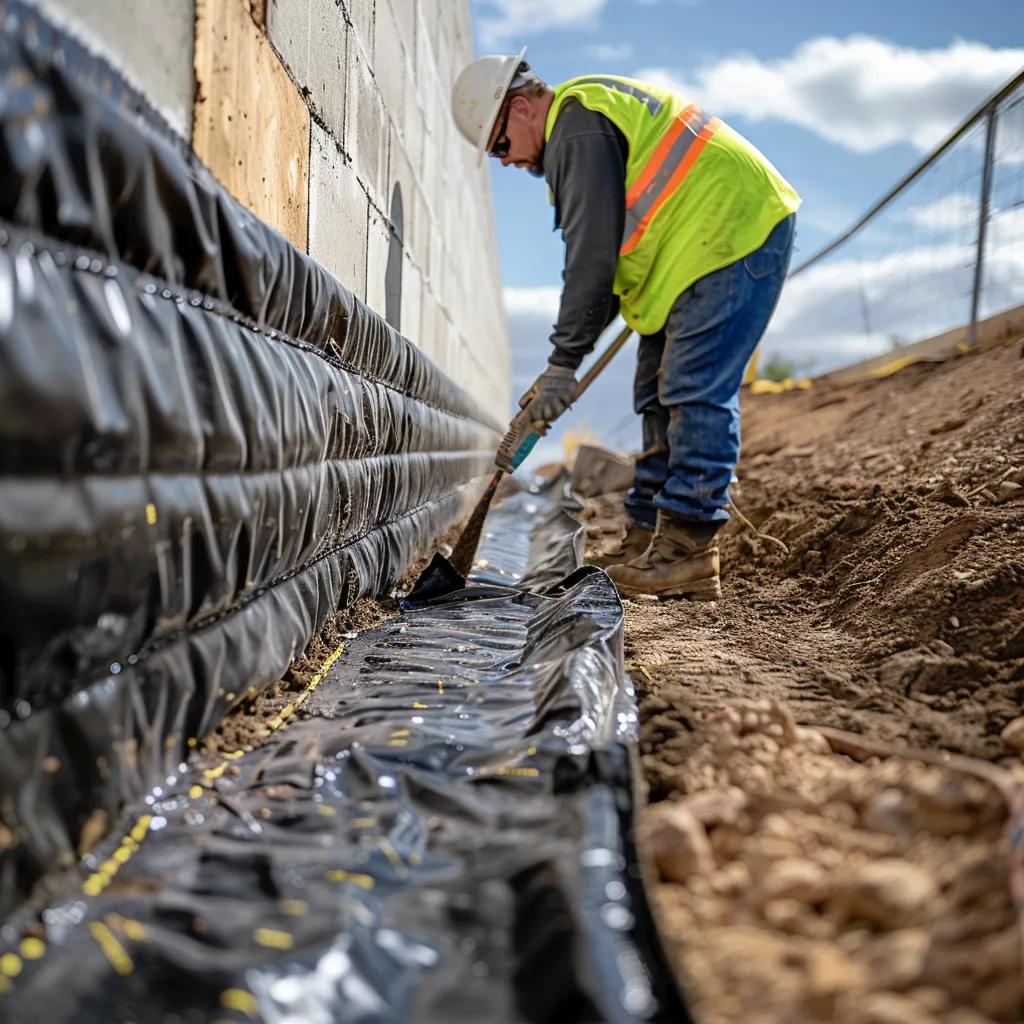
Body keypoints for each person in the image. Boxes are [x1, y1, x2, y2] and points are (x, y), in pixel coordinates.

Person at [451, 50, 800, 600]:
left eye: (499, 145)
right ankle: (645, 539)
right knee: (654, 391)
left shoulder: (577, 126)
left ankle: (688, 548)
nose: (505, 161)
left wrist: (565, 361)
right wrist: (560, 369)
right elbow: (608, 268)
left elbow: (590, 257)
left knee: (693, 387)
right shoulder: (582, 127)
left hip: (728, 232)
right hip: (688, 251)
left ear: (519, 108)